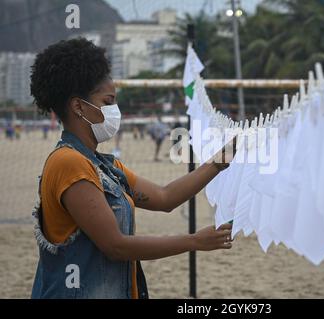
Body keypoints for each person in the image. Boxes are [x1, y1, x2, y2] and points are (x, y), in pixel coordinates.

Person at [29, 38, 235, 299]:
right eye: (108, 101)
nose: (115, 110)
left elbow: (165, 197)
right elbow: (115, 246)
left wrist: (222, 159)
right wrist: (194, 241)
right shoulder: (68, 163)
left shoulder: (105, 165)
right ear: (79, 106)